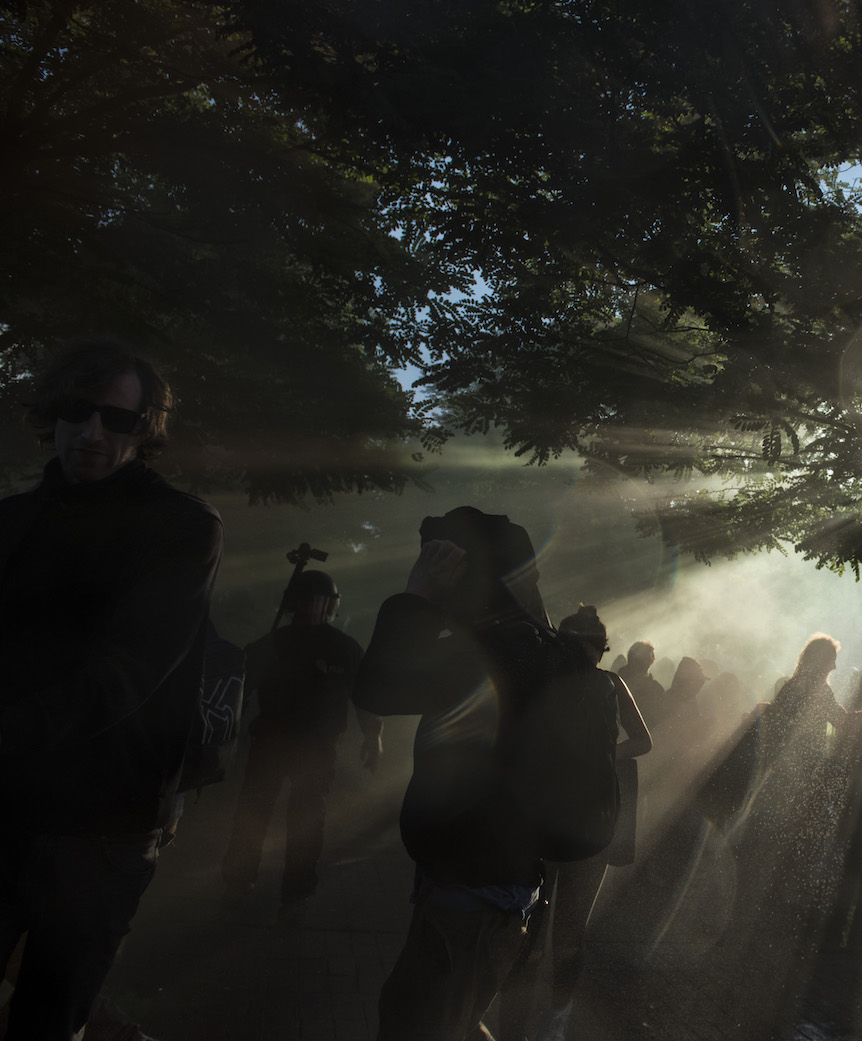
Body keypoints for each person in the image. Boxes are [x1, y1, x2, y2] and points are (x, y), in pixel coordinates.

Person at [0, 340, 222, 1039]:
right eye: (77, 412)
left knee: (50, 1017)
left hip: (103, 829)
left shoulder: (182, 528)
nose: (93, 432)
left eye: (117, 420)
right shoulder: (11, 522)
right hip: (6, 808)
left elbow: (130, 671)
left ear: (144, 428)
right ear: (52, 414)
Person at [353, 507, 554, 1041]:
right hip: (492, 889)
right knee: (449, 1021)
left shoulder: (483, 658)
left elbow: (376, 686)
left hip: (473, 893)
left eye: (440, 563)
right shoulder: (534, 646)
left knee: (421, 1024)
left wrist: (417, 596)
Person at [498, 605, 651, 1041]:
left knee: (531, 935)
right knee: (564, 935)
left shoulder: (543, 681)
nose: (598, 655)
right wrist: (605, 756)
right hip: (593, 822)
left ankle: (519, 1029)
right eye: (597, 647)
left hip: (543, 823)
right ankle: (554, 1026)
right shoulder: (610, 683)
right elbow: (643, 741)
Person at [221, 569, 383, 923]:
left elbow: (365, 697)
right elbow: (239, 692)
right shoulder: (272, 645)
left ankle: (295, 895)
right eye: (309, 600)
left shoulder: (343, 649)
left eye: (322, 601)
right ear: (295, 603)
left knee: (306, 822)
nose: (316, 608)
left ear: (332, 605)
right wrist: (227, 732)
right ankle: (238, 881)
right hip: (270, 744)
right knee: (254, 813)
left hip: (317, 748)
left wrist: (374, 736)